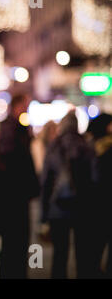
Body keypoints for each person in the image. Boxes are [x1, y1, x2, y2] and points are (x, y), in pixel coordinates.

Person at [40, 111, 97, 278]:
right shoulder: (86, 145)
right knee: (83, 255)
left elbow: (45, 183)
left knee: (60, 254)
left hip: (58, 207)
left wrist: (43, 216)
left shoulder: (54, 146)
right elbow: (95, 179)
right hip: (83, 208)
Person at [0, 92, 39, 279]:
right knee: (16, 240)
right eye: (25, 104)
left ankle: (15, 271)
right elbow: (12, 161)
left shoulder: (17, 127)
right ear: (16, 105)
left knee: (17, 241)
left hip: (15, 194)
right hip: (13, 195)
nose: (27, 108)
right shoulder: (11, 128)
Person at [86, 113, 112, 278]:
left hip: (92, 205)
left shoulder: (87, 147)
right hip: (104, 204)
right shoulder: (106, 148)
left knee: (94, 249)